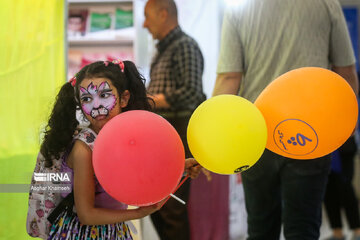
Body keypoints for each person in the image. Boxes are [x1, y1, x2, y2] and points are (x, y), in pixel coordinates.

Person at [213, 0, 359, 239]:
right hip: (310, 133)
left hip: (257, 134)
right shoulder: (326, 3)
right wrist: (346, 128)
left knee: (260, 228)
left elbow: (229, 77)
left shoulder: (239, 6)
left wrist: (218, 137)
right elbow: (346, 72)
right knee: (303, 227)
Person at [27, 60, 203, 239]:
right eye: (87, 99)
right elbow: (87, 215)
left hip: (112, 230)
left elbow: (134, 174)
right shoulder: (84, 149)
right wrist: (138, 214)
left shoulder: (124, 139)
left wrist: (180, 168)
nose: (96, 105)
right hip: (85, 234)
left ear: (124, 98)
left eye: (104, 95)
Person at [142, 0, 207, 239]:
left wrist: (148, 100)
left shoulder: (185, 46)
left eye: (147, 16)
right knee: (155, 204)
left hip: (176, 133)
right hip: (162, 134)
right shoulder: (164, 49)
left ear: (163, 13)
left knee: (171, 208)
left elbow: (191, 92)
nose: (145, 24)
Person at [324, 135, 360, 240]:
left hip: (344, 146)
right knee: (328, 192)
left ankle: (357, 230)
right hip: (325, 147)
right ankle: (337, 232)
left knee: (346, 190)